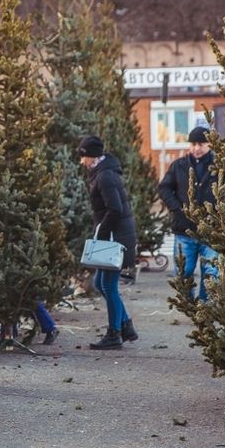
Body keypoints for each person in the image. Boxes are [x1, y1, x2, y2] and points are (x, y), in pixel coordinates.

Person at [78, 135, 138, 349]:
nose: (81, 161)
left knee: (108, 285)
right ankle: (125, 324)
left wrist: (101, 233)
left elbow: (115, 209)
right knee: (99, 283)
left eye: (83, 157)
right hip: (112, 235)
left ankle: (114, 334)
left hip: (115, 239)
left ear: (92, 156)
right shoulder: (101, 173)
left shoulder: (105, 176)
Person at [158, 126, 219, 301]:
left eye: (201, 144)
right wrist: (177, 208)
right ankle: (189, 304)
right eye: (193, 144)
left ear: (209, 144)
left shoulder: (218, 166)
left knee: (211, 272)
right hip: (184, 230)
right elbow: (164, 188)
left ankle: (204, 306)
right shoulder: (179, 166)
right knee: (183, 272)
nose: (196, 148)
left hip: (211, 231)